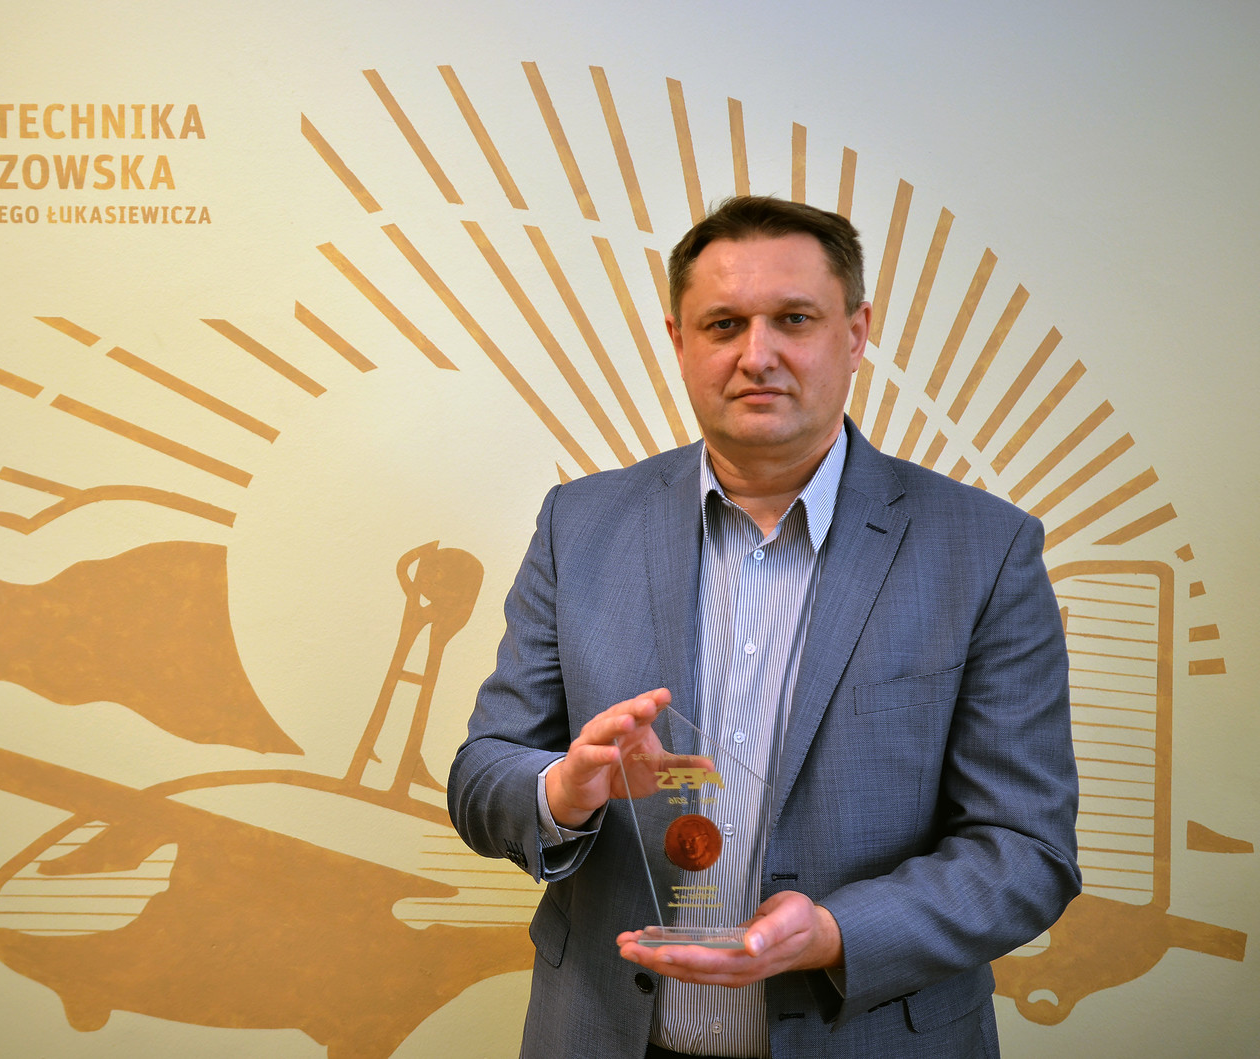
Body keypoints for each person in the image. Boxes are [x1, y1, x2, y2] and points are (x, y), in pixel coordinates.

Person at [448, 196, 1080, 1058]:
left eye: (794, 319)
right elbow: (482, 772)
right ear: (679, 341)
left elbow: (1025, 850)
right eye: (723, 324)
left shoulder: (986, 549)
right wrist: (564, 789)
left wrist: (834, 932)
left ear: (855, 333)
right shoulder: (578, 524)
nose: (757, 354)